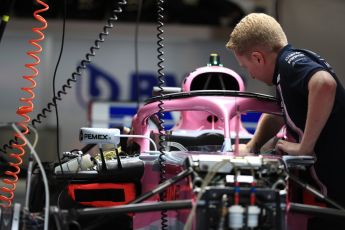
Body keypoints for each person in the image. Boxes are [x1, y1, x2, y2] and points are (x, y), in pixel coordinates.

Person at [226, 13, 345, 229]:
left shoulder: (290, 63)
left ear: (258, 57)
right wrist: (253, 146)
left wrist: (304, 147)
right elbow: (279, 114)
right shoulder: (285, 73)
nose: (250, 75)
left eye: (246, 67)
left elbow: (325, 84)